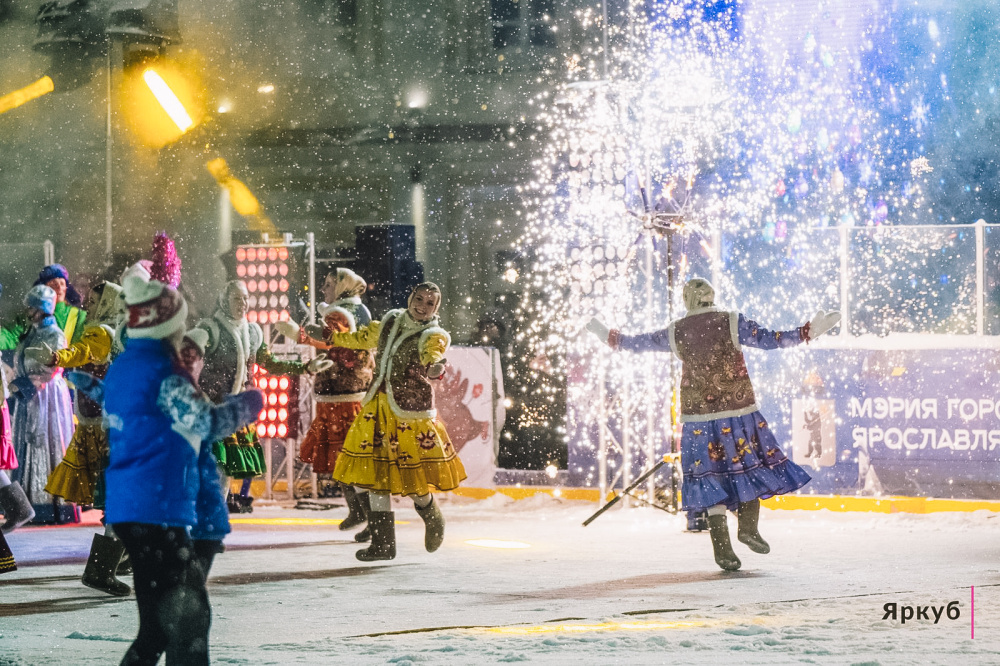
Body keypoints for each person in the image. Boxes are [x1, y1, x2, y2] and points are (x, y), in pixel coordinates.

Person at [586, 277, 840, 571]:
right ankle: (748, 528)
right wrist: (806, 333)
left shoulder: (676, 330)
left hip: (699, 420)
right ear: (711, 296)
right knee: (749, 466)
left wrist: (608, 336)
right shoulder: (731, 321)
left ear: (686, 299)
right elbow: (771, 340)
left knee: (710, 478)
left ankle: (723, 547)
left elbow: (637, 343)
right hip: (739, 413)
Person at [99, 273, 262, 665]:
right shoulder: (165, 374)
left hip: (133, 505)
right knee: (190, 625)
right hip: (159, 509)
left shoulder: (125, 367)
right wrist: (249, 404)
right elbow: (207, 423)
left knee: (156, 627)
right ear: (168, 325)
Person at [330, 282, 467, 561]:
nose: (422, 305)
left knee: (412, 480)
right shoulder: (391, 319)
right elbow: (362, 338)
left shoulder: (434, 334)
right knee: (373, 476)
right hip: (377, 407)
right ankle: (383, 544)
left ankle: (432, 514)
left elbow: (433, 355)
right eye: (419, 298)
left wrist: (435, 367)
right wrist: (327, 337)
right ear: (410, 296)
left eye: (430, 303)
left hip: (408, 414)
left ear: (436, 309)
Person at [196, 280, 331, 513]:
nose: (243, 303)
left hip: (237, 413)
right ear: (224, 300)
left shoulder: (252, 332)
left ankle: (212, 517)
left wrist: (306, 367)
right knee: (213, 465)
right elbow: (188, 360)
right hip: (212, 410)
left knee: (225, 469)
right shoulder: (210, 329)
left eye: (246, 298)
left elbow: (270, 364)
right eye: (237, 298)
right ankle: (204, 516)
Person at [39, 281, 131, 595]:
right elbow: (83, 352)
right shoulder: (106, 333)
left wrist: (60, 358)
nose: (88, 305)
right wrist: (60, 358)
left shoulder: (105, 332)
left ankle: (118, 559)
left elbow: (85, 353)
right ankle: (103, 569)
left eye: (94, 300)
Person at [282, 268, 375, 536]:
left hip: (347, 398)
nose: (323, 290)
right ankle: (359, 512)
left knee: (350, 460)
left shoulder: (346, 313)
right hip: (336, 396)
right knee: (341, 460)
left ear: (343, 286)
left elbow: (328, 338)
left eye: (328, 284)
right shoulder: (345, 311)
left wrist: (297, 331)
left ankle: (369, 517)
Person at [1, 285, 74, 524]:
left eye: (32, 307)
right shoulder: (32, 332)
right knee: (29, 444)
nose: (28, 311)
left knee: (45, 442)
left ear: (42, 309)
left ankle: (51, 507)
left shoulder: (54, 334)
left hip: (46, 397)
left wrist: (27, 384)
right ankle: (28, 503)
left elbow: (52, 367)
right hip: (28, 396)